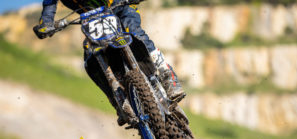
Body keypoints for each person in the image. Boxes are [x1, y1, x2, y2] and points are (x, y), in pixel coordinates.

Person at [33, 0, 185, 125]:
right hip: (95, 22)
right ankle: (117, 101)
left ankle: (167, 75)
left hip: (120, 6)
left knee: (132, 29)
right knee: (90, 54)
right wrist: (46, 25)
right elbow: (48, 7)